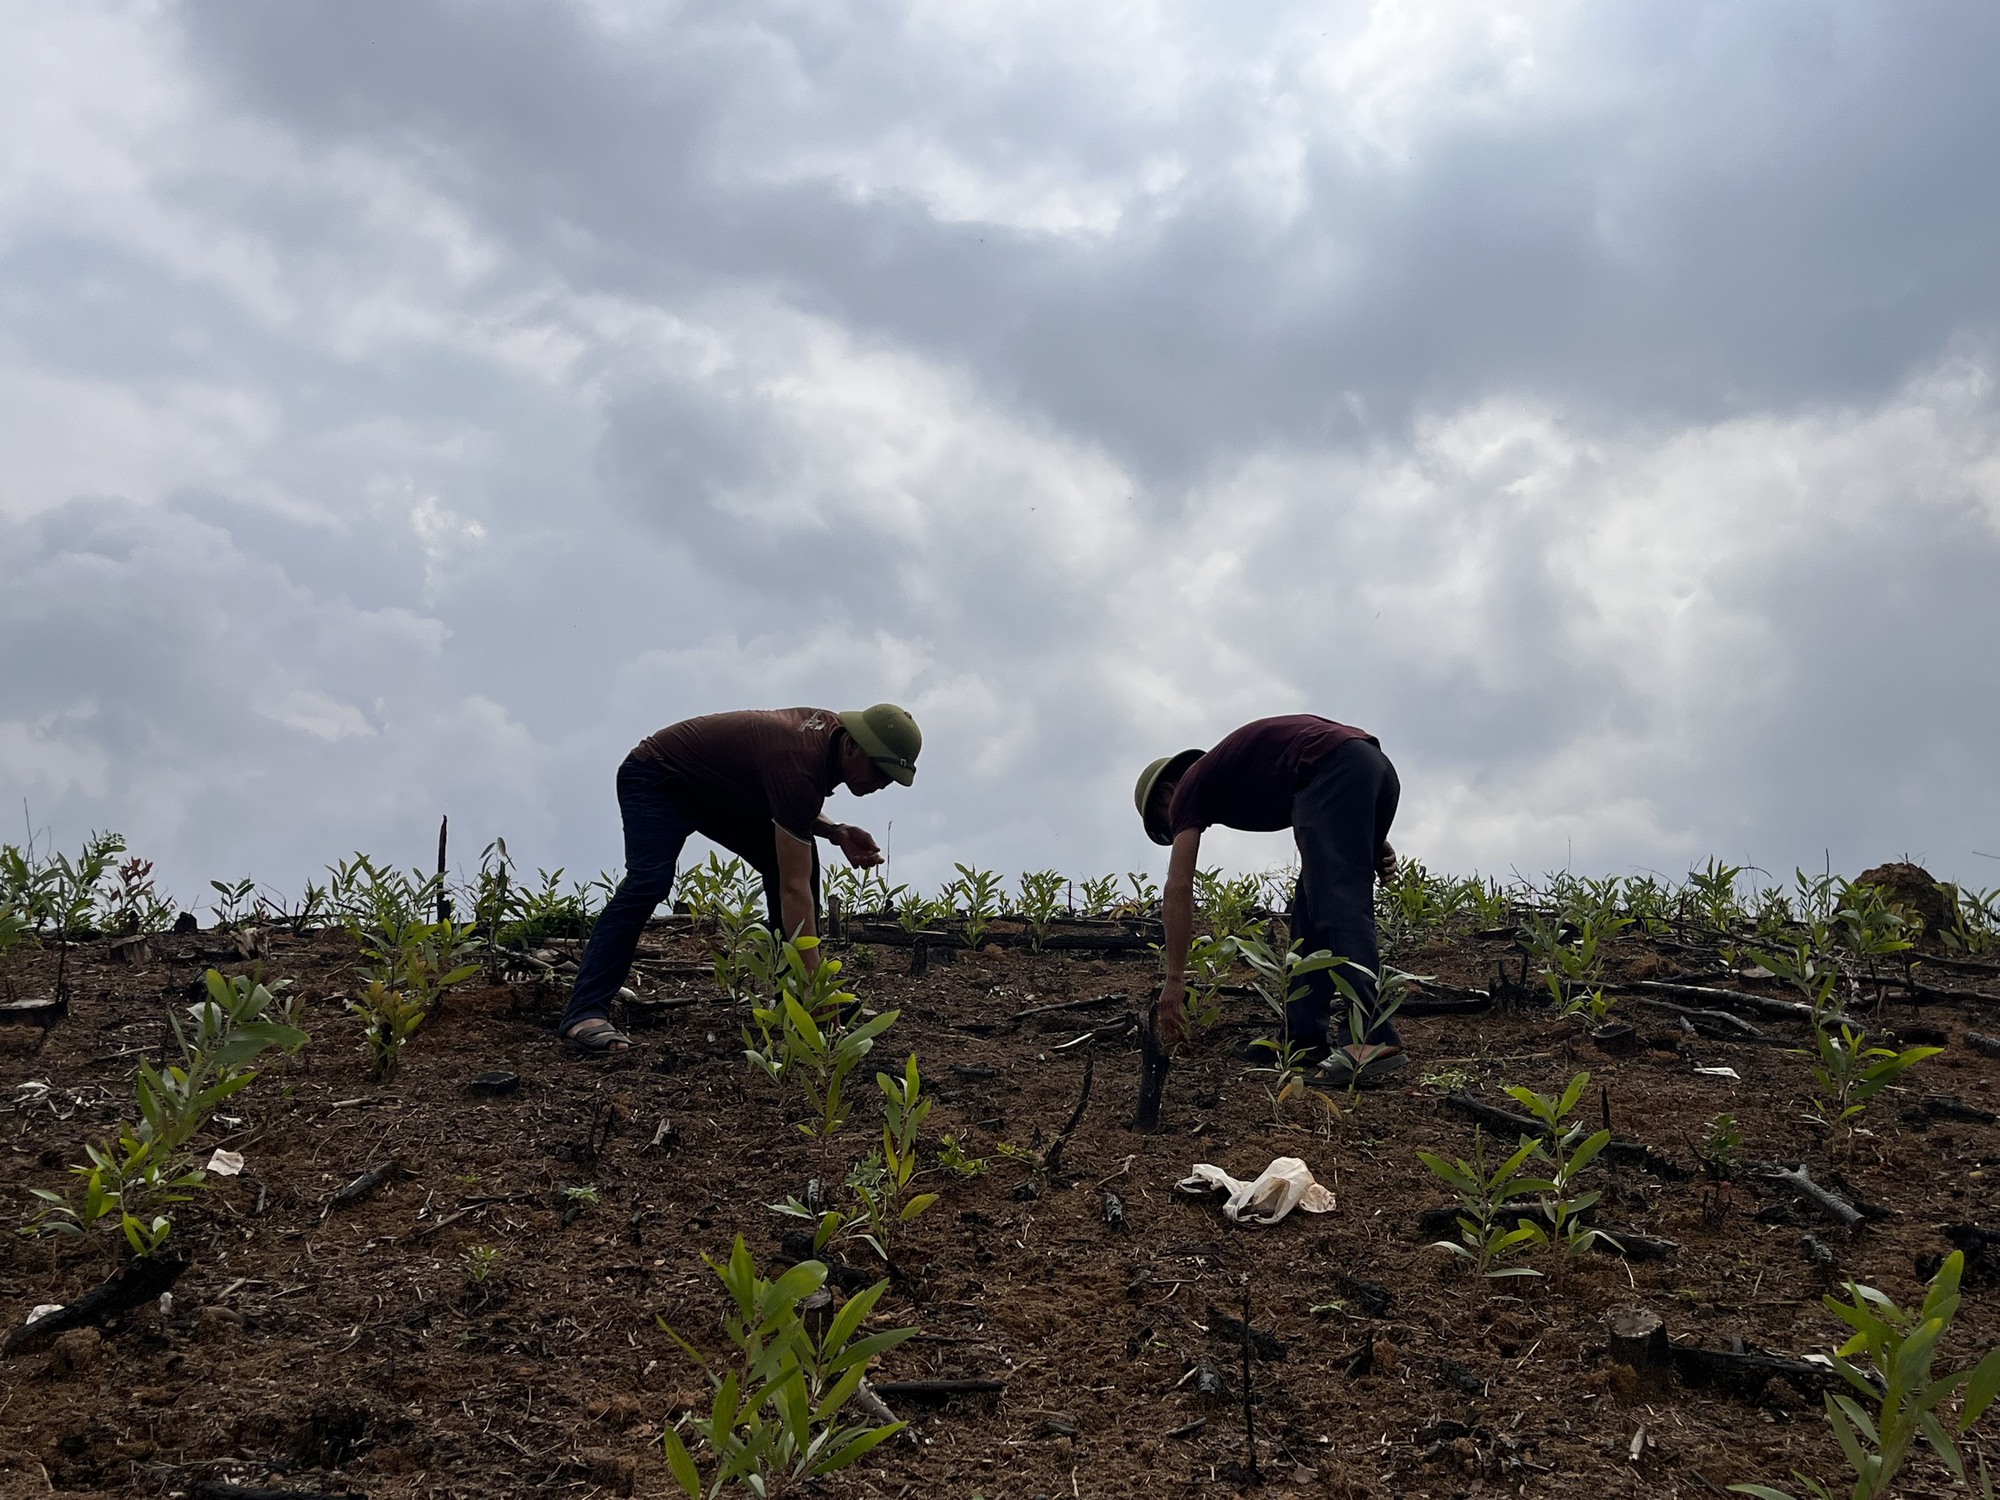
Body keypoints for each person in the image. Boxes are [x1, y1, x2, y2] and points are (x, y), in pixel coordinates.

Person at [560, 704, 922, 1054]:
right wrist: (819, 988)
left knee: (799, 857)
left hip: (717, 791)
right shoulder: (799, 757)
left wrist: (837, 831)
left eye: (891, 778)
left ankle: (793, 1004)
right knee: (649, 882)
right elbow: (794, 888)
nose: (882, 784)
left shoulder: (826, 743)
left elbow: (790, 802)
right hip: (658, 776)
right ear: (851, 746)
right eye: (879, 772)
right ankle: (585, 1012)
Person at [1135, 715, 1402, 1084]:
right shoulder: (1231, 773)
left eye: (1167, 824)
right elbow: (1339, 802)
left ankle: (1371, 1039)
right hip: (1370, 766)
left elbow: (1178, 886)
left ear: (1167, 793)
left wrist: (1175, 979)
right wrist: (1372, 842)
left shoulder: (1187, 787)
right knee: (1310, 915)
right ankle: (1303, 1040)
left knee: (1337, 906)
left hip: (1338, 769)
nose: (1178, 824)